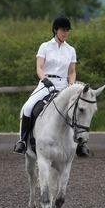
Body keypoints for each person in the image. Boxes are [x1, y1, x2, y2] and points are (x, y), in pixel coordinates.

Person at [13, 16, 89, 157]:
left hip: (63, 85)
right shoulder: (45, 46)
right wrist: (45, 80)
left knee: (79, 109)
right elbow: (39, 68)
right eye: (63, 30)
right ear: (55, 30)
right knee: (29, 106)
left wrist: (71, 85)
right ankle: (22, 141)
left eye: (67, 30)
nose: (65, 33)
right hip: (46, 83)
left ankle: (81, 144)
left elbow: (71, 72)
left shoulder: (70, 50)